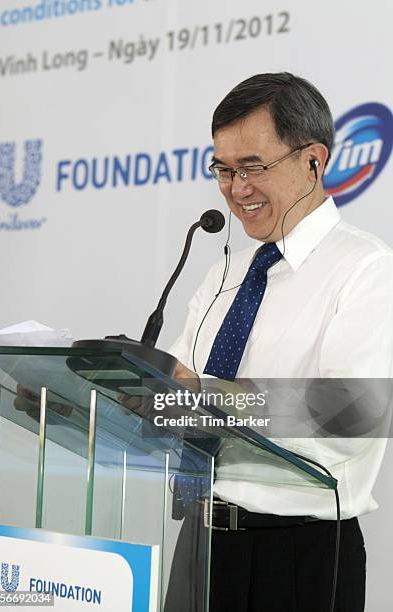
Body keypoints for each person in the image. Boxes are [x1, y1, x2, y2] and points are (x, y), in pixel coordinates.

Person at [166, 72, 393, 612]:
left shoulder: (366, 268)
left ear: (313, 160)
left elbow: (351, 414)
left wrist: (212, 395)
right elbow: (174, 389)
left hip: (297, 554)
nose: (235, 188)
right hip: (201, 540)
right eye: (223, 169)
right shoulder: (225, 273)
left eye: (252, 167)